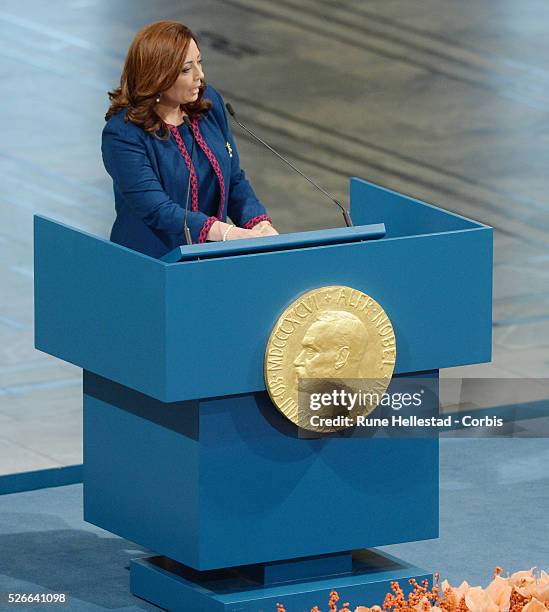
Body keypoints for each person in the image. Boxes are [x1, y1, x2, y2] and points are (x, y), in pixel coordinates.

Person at [102, 20, 278, 258]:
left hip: (210, 259)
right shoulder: (123, 135)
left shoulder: (208, 105)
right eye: (187, 69)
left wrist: (258, 223)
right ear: (158, 76)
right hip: (154, 264)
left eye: (199, 62)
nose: (200, 75)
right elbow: (157, 209)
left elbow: (233, 179)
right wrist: (226, 233)